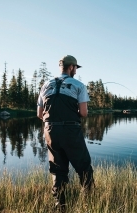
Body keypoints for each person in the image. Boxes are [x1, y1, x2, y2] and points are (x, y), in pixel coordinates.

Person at [37, 55, 94, 211]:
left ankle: (60, 206)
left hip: (50, 132)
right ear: (71, 67)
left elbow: (39, 114)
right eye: (76, 68)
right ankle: (89, 203)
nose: (75, 70)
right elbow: (83, 113)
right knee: (84, 168)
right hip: (70, 131)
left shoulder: (45, 85)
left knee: (58, 170)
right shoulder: (78, 85)